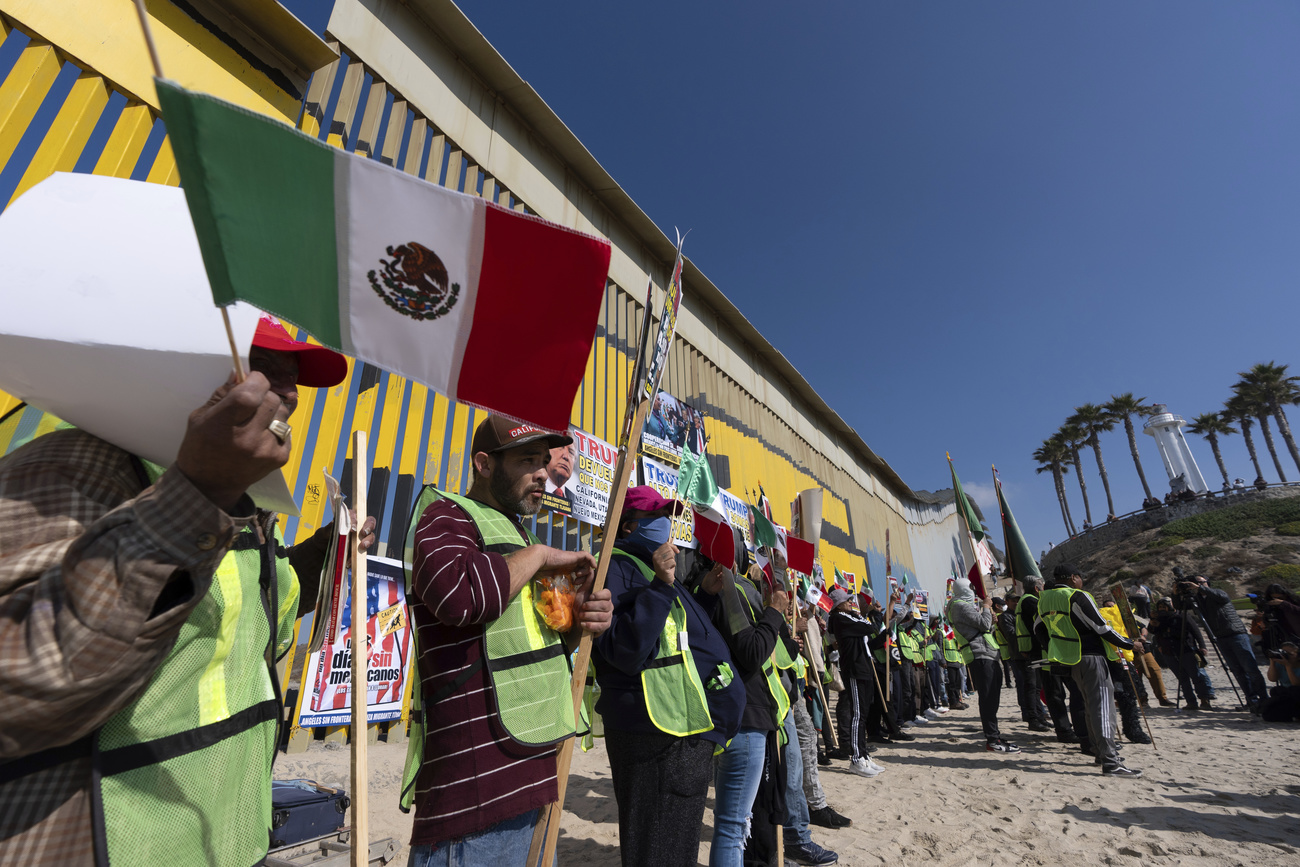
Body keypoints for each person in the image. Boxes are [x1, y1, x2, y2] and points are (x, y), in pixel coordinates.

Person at [0, 316, 377, 867]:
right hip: (120, 844)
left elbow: (259, 630)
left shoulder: (248, 501)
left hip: (227, 838)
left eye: (293, 377)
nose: (290, 396)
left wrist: (330, 553)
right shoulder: (75, 463)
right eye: (266, 369)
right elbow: (22, 688)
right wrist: (200, 490)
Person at [403, 415, 613, 863]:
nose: (543, 472)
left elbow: (549, 646)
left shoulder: (519, 535)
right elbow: (458, 598)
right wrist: (538, 557)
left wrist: (583, 621)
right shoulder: (446, 517)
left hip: (535, 779)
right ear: (484, 464)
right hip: (474, 801)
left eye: (544, 460)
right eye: (527, 461)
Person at [592, 486, 745, 867]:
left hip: (682, 732)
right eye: (655, 518)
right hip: (657, 735)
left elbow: (678, 637)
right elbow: (625, 650)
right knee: (659, 850)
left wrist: (704, 596)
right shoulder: (614, 566)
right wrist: (661, 584)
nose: (666, 525)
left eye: (667, 516)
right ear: (628, 527)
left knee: (673, 848)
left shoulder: (652, 567)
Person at [1036, 563, 1141, 777]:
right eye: (1080, 577)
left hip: (1069, 659)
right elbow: (1102, 627)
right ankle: (1111, 761)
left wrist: (1055, 647)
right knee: (1103, 707)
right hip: (1091, 656)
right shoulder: (1078, 596)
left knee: (1088, 705)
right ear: (1074, 577)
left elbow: (1039, 629)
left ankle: (1098, 751)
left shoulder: (1044, 599)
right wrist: (1130, 643)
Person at [946, 577, 1018, 753]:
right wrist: (986, 608)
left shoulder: (965, 607)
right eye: (970, 587)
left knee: (993, 698)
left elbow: (985, 627)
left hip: (988, 653)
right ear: (963, 589)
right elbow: (983, 624)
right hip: (979, 655)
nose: (973, 590)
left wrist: (990, 619)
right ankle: (992, 739)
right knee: (988, 699)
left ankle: (995, 735)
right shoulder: (959, 606)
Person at [827, 587, 887, 777]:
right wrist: (859, 613)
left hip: (863, 668)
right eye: (847, 601)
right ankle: (856, 759)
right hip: (854, 670)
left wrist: (859, 615)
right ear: (839, 605)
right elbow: (869, 627)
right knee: (857, 715)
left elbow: (869, 631)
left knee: (863, 713)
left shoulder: (849, 617)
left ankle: (864, 754)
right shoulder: (840, 618)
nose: (850, 603)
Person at [1189, 574, 1267, 708]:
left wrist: (1201, 588)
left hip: (1235, 633)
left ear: (1208, 582)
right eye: (1196, 583)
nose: (1199, 584)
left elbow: (1223, 597)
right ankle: (1251, 700)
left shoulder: (1218, 593)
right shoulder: (1197, 599)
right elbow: (1181, 606)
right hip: (1220, 637)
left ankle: (1264, 699)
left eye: (1201, 582)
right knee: (1237, 670)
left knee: (1250, 668)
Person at [1097, 601, 1152, 744]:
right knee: (1128, 698)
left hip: (1112, 659)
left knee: (1123, 697)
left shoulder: (1101, 616)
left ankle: (1128, 730)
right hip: (1119, 659)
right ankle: (1132, 731)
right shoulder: (1113, 617)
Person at [1149, 596, 1213, 711]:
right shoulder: (1160, 619)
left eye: (1164, 606)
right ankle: (1191, 702)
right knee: (1182, 679)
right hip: (1169, 652)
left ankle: (1204, 700)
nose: (1162, 609)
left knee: (1196, 676)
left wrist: (1202, 646)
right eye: (1160, 607)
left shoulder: (1182, 616)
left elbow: (1196, 631)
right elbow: (1153, 631)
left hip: (1186, 649)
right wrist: (1152, 620)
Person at [1260, 641, 1300, 722]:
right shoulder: (1280, 664)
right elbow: (1272, 678)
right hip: (1288, 696)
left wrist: (1288, 666)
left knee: (1294, 690)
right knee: (1269, 715)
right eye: (1284, 653)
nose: (1285, 656)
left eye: (1290, 654)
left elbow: (1296, 684)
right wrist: (1272, 662)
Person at [543, 439, 576, 506]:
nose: (566, 457)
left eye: (571, 452)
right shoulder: (534, 488)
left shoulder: (575, 501)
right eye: (560, 447)